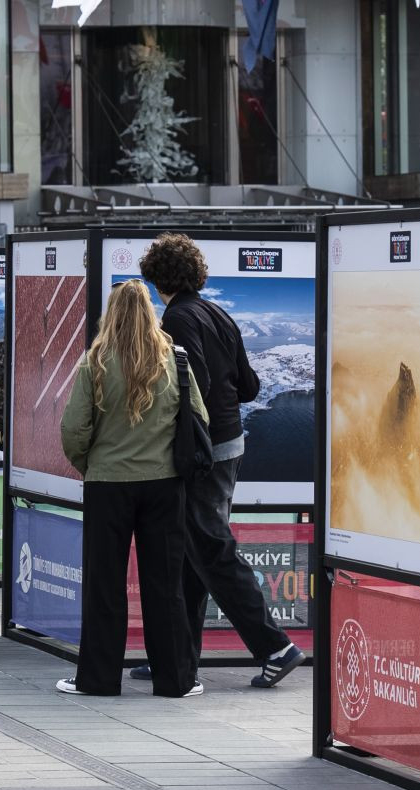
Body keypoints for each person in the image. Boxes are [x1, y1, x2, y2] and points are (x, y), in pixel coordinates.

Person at [138, 234, 305, 689]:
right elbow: (249, 386)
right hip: (230, 445)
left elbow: (193, 387)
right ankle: (178, 658)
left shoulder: (175, 317)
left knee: (210, 550)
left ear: (156, 276)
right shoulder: (219, 313)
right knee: (192, 552)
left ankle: (275, 646)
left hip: (201, 452)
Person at [56, 278, 207, 699]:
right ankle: (175, 680)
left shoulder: (96, 362)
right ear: (151, 314)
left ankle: (99, 680)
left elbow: (73, 428)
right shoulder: (175, 359)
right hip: (164, 485)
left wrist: (90, 463)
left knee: (105, 585)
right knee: (165, 584)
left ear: (113, 313)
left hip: (108, 485)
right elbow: (199, 418)